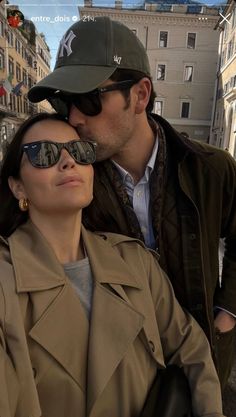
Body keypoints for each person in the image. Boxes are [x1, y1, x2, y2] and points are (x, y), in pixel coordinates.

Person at [27, 16, 236, 390]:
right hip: (125, 383)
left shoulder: (211, 169)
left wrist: (227, 315)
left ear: (140, 95)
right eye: (64, 102)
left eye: (89, 99)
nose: (73, 118)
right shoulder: (73, 185)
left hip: (207, 365)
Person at [0, 112, 226, 417]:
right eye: (44, 153)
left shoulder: (135, 261)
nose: (68, 162)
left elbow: (191, 348)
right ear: (18, 187)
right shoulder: (5, 281)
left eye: (79, 151)